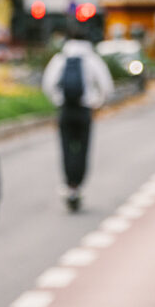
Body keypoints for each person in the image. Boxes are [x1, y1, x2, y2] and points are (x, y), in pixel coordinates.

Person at [41, 31, 114, 212]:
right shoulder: (92, 59)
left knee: (66, 148)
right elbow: (107, 87)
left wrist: (58, 100)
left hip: (65, 110)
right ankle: (78, 185)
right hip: (84, 110)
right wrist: (97, 102)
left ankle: (69, 184)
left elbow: (47, 85)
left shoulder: (59, 59)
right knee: (83, 148)